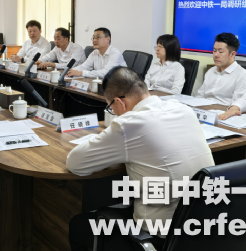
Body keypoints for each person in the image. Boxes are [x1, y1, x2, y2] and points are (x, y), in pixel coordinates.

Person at [67, 67, 214, 250]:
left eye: (111, 108)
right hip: (204, 228)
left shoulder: (128, 124)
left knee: (79, 225)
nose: (114, 113)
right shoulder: (184, 110)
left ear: (119, 102)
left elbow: (75, 163)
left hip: (159, 239)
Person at [196, 33, 246, 105]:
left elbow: (239, 105)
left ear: (232, 54)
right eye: (214, 50)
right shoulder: (210, 71)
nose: (216, 55)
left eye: (220, 52)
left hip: (224, 111)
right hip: (204, 109)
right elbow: (199, 97)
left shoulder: (241, 75)